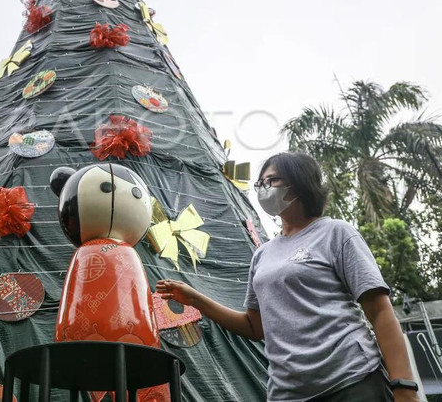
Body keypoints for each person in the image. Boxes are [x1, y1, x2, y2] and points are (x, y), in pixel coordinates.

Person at [157, 151, 419, 402]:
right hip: (288, 393)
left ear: (298, 184)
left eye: (272, 180)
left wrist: (404, 386)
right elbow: (253, 327)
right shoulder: (262, 255)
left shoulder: (336, 233)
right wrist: (197, 300)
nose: (263, 189)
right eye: (260, 183)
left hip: (352, 381)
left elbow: (380, 312)